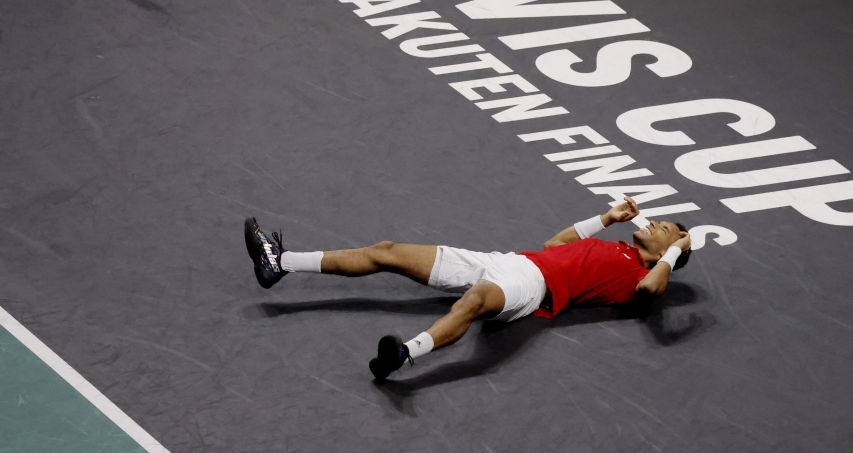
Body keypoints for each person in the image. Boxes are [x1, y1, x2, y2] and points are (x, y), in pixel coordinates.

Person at [244, 196, 691, 380]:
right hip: (507, 261)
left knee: (475, 302)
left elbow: (651, 292)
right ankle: (279, 263)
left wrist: (678, 251)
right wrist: (604, 219)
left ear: (671, 249)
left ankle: (402, 355)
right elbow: (554, 244)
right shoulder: (619, 249)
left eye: (665, 228)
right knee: (388, 251)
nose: (654, 223)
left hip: (529, 287)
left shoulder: (640, 276)